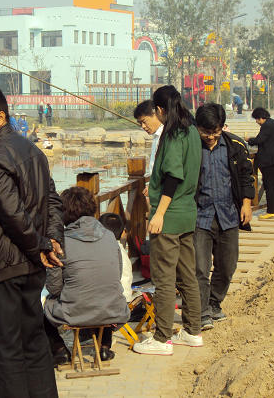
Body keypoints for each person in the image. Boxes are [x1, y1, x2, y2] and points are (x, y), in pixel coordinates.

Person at [0, 87, 64, 397]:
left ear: (0, 117)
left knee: (5, 351)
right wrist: (51, 241)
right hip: (30, 267)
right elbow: (52, 201)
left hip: (1, 269)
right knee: (33, 345)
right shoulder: (32, 150)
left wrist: (41, 245)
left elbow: (12, 215)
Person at [132, 85, 203, 356]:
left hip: (170, 216)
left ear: (160, 110)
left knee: (164, 279)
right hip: (187, 213)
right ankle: (193, 331)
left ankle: (162, 338)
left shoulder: (173, 135)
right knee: (187, 276)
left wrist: (159, 213)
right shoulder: (192, 131)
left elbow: (173, 176)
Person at [44, 187, 129, 366]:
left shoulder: (60, 243)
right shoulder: (109, 237)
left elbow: (54, 288)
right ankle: (104, 346)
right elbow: (116, 275)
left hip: (76, 312)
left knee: (43, 306)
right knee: (103, 292)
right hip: (114, 311)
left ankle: (60, 350)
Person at [194, 103, 255, 329]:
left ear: (222, 127)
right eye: (206, 132)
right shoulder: (191, 147)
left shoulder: (235, 145)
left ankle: (214, 302)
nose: (211, 137)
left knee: (227, 265)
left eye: (215, 132)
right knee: (200, 267)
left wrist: (246, 204)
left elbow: (247, 176)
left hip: (228, 214)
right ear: (197, 127)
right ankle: (201, 312)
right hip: (199, 216)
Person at [247, 107, 274, 219]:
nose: (257, 122)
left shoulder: (266, 126)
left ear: (260, 117)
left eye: (257, 119)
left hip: (269, 160)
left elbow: (259, 140)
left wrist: (249, 140)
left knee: (269, 185)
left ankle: (270, 211)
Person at [99, 212, 133, 303]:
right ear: (123, 233)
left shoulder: (93, 250)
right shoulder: (121, 254)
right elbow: (126, 290)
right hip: (117, 304)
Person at [134, 100, 163, 177]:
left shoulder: (165, 135)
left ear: (156, 114)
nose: (143, 126)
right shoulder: (156, 135)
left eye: (144, 121)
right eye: (140, 123)